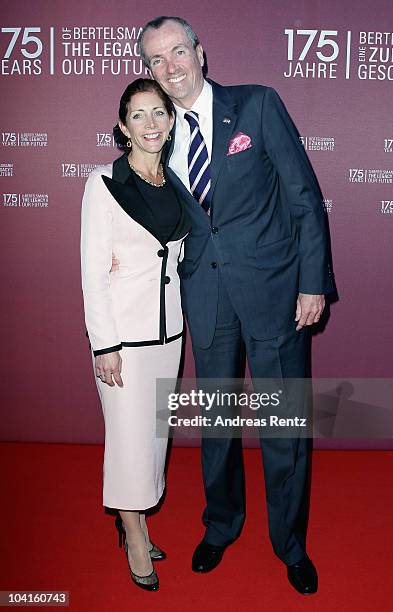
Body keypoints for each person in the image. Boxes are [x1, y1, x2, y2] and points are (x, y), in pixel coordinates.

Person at [138, 16, 335, 595]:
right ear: (147, 71)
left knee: (283, 426)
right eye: (156, 60)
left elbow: (303, 196)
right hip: (207, 295)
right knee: (217, 426)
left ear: (200, 51)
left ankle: (290, 545)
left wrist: (312, 281)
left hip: (276, 290)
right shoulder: (157, 132)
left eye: (178, 51)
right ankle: (221, 526)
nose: (170, 66)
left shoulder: (257, 106)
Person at [80, 78, 190, 591]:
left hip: (168, 334)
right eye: (138, 115)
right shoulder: (104, 183)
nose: (150, 124)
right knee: (126, 441)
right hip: (122, 338)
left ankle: (139, 519)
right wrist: (104, 344)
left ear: (170, 122)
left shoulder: (176, 181)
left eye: (158, 113)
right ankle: (134, 534)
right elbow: (93, 272)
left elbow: (178, 253)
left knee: (152, 439)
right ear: (123, 127)